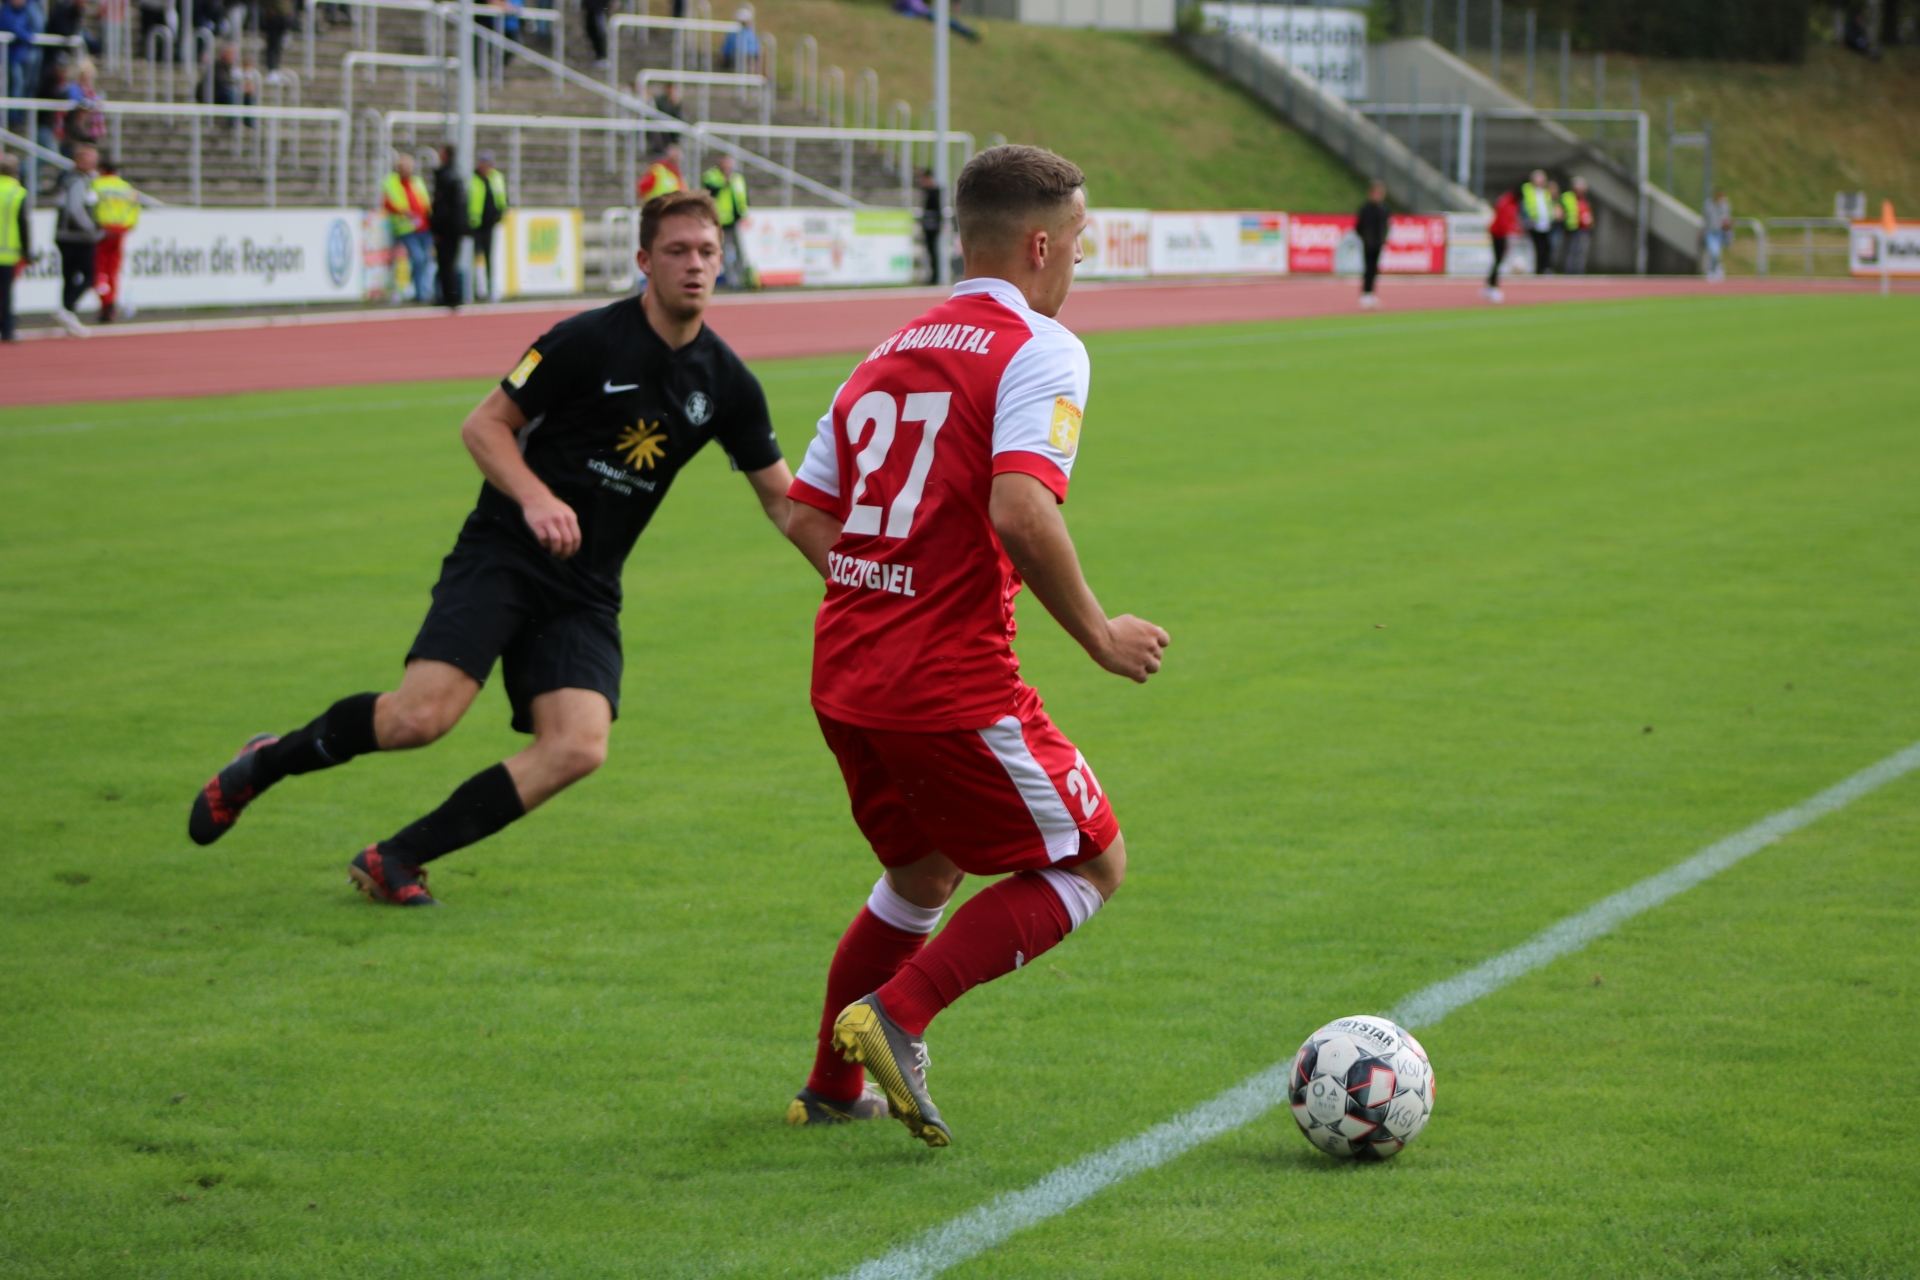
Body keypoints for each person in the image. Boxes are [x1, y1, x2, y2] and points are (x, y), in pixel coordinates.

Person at [184, 190, 800, 906]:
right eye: (677, 251)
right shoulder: (584, 340)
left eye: (706, 252)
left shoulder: (728, 383)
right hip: (505, 553)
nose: (694, 265)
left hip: (586, 586)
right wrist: (536, 498)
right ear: (644, 260)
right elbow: (484, 425)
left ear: (722, 262)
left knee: (578, 744)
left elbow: (783, 500)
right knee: (419, 720)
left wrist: (854, 575)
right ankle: (265, 762)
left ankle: (395, 858)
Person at [780, 145, 1169, 1141]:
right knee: (1092, 863)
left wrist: (883, 587)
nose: (1079, 260)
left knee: (924, 874)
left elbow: (805, 511)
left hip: (845, 673)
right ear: (1040, 245)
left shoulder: (885, 351)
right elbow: (1022, 509)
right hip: (947, 680)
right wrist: (1100, 635)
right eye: (1078, 241)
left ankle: (832, 1087)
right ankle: (896, 1016)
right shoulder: (1041, 345)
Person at [51, 141, 98, 336]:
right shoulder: (79, 180)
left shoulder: (69, 178)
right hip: (76, 236)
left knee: (69, 277)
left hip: (65, 234)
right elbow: (74, 208)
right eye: (88, 159)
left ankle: (67, 315)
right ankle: (67, 309)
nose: (93, 163)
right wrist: (91, 228)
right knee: (89, 275)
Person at [91, 154, 146, 323]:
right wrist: (128, 226)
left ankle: (106, 301)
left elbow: (89, 207)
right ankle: (111, 300)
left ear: (101, 170)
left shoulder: (96, 185)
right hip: (121, 231)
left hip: (102, 231)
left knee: (98, 270)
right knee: (112, 270)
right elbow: (136, 208)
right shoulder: (126, 188)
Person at [381, 152, 434, 303]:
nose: (407, 170)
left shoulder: (416, 181)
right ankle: (419, 292)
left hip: (423, 227)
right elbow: (388, 203)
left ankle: (424, 290)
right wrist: (405, 212)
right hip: (405, 228)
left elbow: (424, 202)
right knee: (418, 258)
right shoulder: (391, 182)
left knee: (427, 259)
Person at [701, 151, 750, 289]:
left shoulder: (737, 178)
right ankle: (732, 281)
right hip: (720, 222)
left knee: (740, 251)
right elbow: (712, 192)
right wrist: (724, 180)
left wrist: (744, 213)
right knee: (724, 253)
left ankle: (744, 278)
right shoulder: (712, 176)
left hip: (734, 221)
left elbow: (742, 197)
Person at [430, 143, 467, 307]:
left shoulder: (445, 176)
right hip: (455, 228)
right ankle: (453, 296)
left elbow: (442, 207)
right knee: (451, 263)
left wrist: (436, 227)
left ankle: (449, 298)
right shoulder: (456, 175)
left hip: (446, 229)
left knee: (445, 263)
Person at [469, 150, 508, 301]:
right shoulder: (472, 179)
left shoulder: (496, 178)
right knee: (473, 258)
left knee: (489, 258)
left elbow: (502, 198)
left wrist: (500, 214)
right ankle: (473, 290)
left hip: (490, 225)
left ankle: (491, 289)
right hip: (474, 226)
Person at [2, 0, 45, 130]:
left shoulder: (23, 12)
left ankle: (19, 118)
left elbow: (31, 27)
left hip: (21, 55)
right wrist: (27, 37)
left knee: (26, 84)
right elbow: (11, 26)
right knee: (17, 84)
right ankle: (12, 118)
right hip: (11, 57)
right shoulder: (6, 11)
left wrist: (26, 35)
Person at [0, 153, 29, 342]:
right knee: (5, 292)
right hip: (8, 251)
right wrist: (26, 250)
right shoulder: (17, 192)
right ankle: (7, 328)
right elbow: (23, 223)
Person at [1355, 179, 1388, 308]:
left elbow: (1385, 226)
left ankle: (1371, 293)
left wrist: (1383, 239)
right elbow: (1359, 227)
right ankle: (1365, 294)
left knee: (1374, 269)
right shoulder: (1366, 209)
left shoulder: (1384, 209)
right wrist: (1366, 239)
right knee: (1368, 269)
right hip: (1368, 244)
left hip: (1378, 243)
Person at [1484, 185, 1518, 302]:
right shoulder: (1508, 203)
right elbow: (1505, 221)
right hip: (1498, 234)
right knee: (1498, 260)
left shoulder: (1508, 202)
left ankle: (1491, 285)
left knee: (1498, 261)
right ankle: (1492, 286)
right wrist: (1510, 234)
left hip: (1499, 233)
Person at [1521, 168, 1554, 275]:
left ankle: (1545, 267)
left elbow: (1548, 207)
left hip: (1545, 223)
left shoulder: (1545, 192)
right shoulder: (1528, 190)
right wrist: (1527, 219)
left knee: (1547, 247)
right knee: (1537, 248)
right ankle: (1538, 268)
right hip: (1534, 224)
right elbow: (1525, 206)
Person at [1562, 177, 1593, 276]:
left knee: (1582, 251)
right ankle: (1569, 270)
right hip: (1573, 229)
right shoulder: (1568, 198)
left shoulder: (1584, 200)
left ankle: (1580, 270)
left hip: (1584, 229)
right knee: (1572, 251)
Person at [917, 168, 941, 284]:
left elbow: (936, 212)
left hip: (932, 227)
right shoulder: (927, 192)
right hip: (928, 227)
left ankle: (935, 277)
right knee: (930, 252)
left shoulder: (934, 192)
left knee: (933, 252)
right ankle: (933, 276)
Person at [1703, 189, 1731, 282]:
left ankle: (1716, 269)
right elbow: (1705, 218)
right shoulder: (1708, 205)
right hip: (1710, 232)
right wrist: (1702, 230)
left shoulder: (1724, 205)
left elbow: (1726, 219)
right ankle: (1714, 269)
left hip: (1720, 232)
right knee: (1713, 251)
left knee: (1717, 253)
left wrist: (1728, 231)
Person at [720, 4, 759, 70]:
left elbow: (726, 49)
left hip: (741, 56)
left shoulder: (733, 33)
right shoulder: (750, 33)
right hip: (743, 57)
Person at [259, 0, 293, 74]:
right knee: (272, 44)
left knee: (278, 45)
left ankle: (276, 66)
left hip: (283, 17)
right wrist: (269, 9)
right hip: (274, 16)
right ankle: (271, 67)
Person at [582, 0, 608, 67]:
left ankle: (602, 55)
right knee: (591, 29)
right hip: (590, 7)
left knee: (599, 30)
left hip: (599, 7)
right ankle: (598, 54)